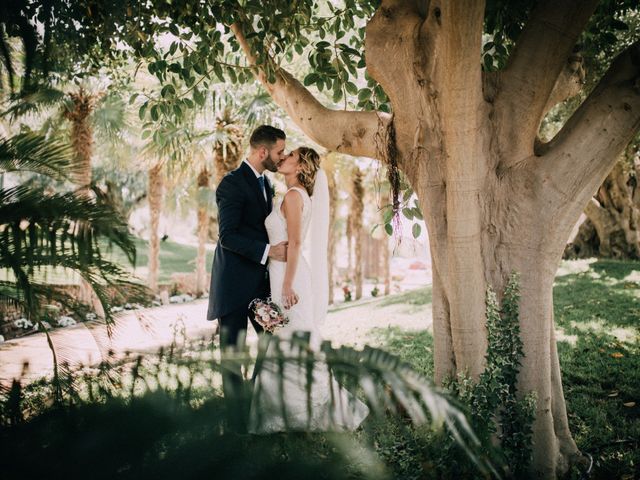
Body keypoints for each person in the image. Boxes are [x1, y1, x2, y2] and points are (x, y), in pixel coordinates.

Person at [249, 147, 369, 433]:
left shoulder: (293, 196)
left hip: (289, 276)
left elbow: (296, 243)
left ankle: (303, 410)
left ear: (301, 166)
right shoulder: (294, 194)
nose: (282, 157)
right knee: (289, 338)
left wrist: (287, 284)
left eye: (289, 155)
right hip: (283, 274)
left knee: (293, 337)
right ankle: (288, 409)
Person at [207, 125, 288, 430]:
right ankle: (235, 425)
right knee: (232, 357)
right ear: (262, 151)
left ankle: (253, 402)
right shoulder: (231, 183)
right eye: (279, 152)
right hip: (231, 285)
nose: (281, 158)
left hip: (258, 285)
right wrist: (269, 252)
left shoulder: (266, 184)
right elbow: (227, 236)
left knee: (272, 342)